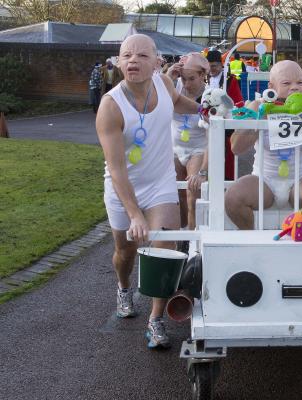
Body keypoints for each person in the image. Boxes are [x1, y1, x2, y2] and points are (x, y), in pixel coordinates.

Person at [96, 34, 204, 349]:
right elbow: (117, 170)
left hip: (160, 184)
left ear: (156, 63)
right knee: (125, 252)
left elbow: (180, 104)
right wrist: (133, 215)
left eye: (142, 55)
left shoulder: (163, 85)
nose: (133, 61)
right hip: (122, 188)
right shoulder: (110, 107)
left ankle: (155, 321)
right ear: (118, 62)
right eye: (126, 55)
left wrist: (208, 112)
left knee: (165, 252)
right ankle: (124, 287)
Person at [224, 60, 302, 230]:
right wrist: (260, 118)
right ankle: (251, 239)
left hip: (300, 180)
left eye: (300, 83)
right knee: (233, 196)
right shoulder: (258, 105)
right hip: (264, 179)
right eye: (286, 83)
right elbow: (236, 147)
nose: (295, 87)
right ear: (271, 86)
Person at [165, 52, 210, 230]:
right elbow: (156, 98)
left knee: (193, 194)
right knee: (176, 195)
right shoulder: (174, 86)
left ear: (202, 75)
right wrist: (168, 76)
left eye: (191, 79)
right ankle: (183, 231)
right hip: (174, 148)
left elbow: (213, 136)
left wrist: (203, 171)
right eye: (183, 79)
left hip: (197, 149)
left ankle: (193, 239)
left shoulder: (209, 95)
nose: (186, 84)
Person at [206, 49, 244, 181]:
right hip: (206, 119)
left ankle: (227, 178)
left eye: (214, 66)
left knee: (227, 150)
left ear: (221, 65)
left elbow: (237, 100)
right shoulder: (203, 77)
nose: (211, 69)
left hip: (225, 118)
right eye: (209, 66)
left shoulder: (230, 79)